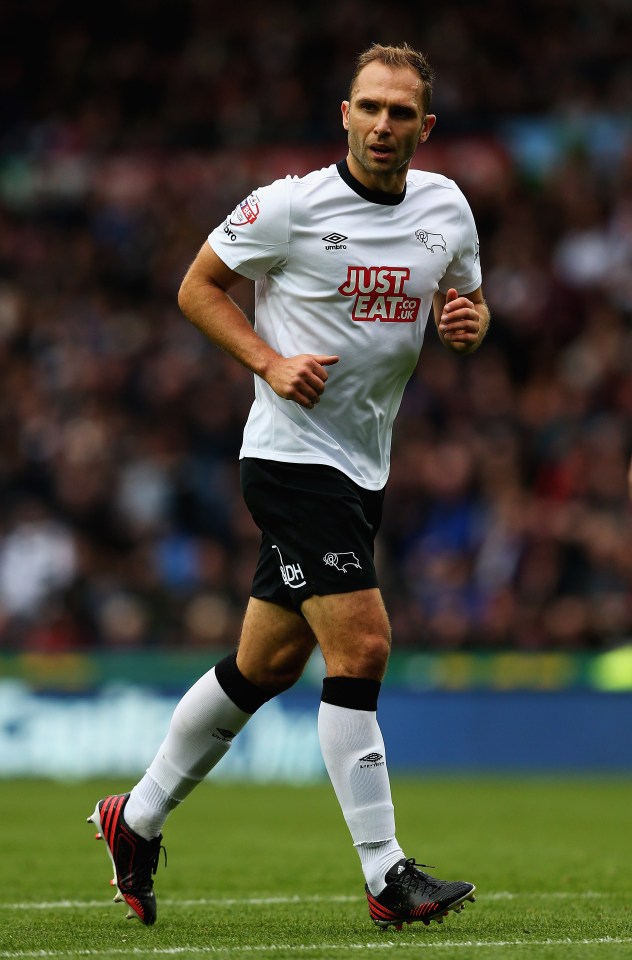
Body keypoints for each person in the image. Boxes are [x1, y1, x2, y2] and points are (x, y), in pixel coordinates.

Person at [88, 42, 489, 932]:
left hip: (362, 464)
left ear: (427, 127)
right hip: (289, 458)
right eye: (369, 108)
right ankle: (388, 875)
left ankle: (136, 817)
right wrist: (268, 361)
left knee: (264, 664)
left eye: (401, 113)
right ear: (344, 114)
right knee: (364, 647)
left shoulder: (446, 209)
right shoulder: (290, 206)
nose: (384, 125)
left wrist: (469, 320)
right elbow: (198, 288)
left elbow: (466, 302)